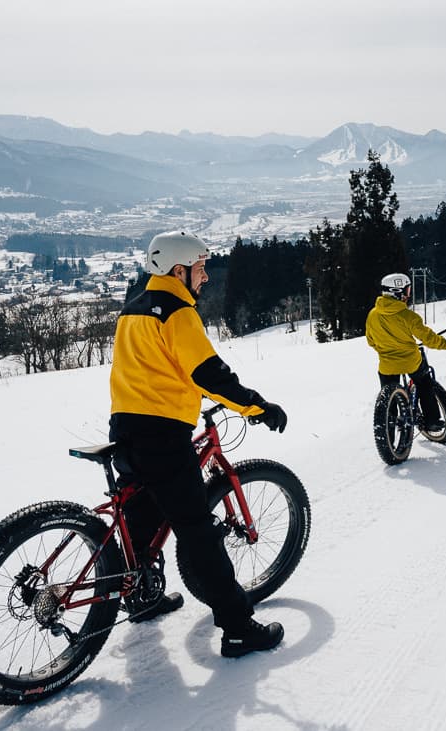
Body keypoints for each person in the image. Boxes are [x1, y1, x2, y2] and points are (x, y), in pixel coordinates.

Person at [108, 231, 288, 658]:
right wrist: (256, 407)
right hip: (162, 438)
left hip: (125, 429)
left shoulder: (133, 309)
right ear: (178, 270)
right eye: (201, 268)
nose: (205, 277)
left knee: (142, 520)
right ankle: (239, 628)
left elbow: (155, 368)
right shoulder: (177, 313)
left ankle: (142, 595)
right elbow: (208, 373)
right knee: (198, 535)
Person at [365, 272, 446, 431]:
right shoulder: (408, 316)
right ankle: (432, 420)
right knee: (425, 384)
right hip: (411, 362)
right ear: (397, 292)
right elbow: (427, 338)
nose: (408, 294)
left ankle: (388, 428)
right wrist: (445, 344)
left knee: (388, 396)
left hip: (386, 365)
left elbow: (371, 341)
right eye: (407, 290)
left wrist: (385, 349)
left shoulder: (372, 315)